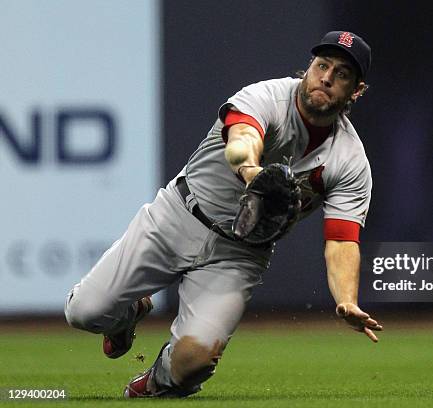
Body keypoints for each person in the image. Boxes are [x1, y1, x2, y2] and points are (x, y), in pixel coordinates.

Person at [64, 30, 382, 398]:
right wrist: (252, 173)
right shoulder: (266, 97)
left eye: (341, 73)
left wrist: (346, 299)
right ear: (308, 67)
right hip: (178, 216)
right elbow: (242, 138)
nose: (326, 77)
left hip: (239, 254)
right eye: (321, 65)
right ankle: (128, 313)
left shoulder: (350, 161)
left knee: (192, 364)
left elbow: (342, 240)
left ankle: (158, 381)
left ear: (356, 91)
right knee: (84, 312)